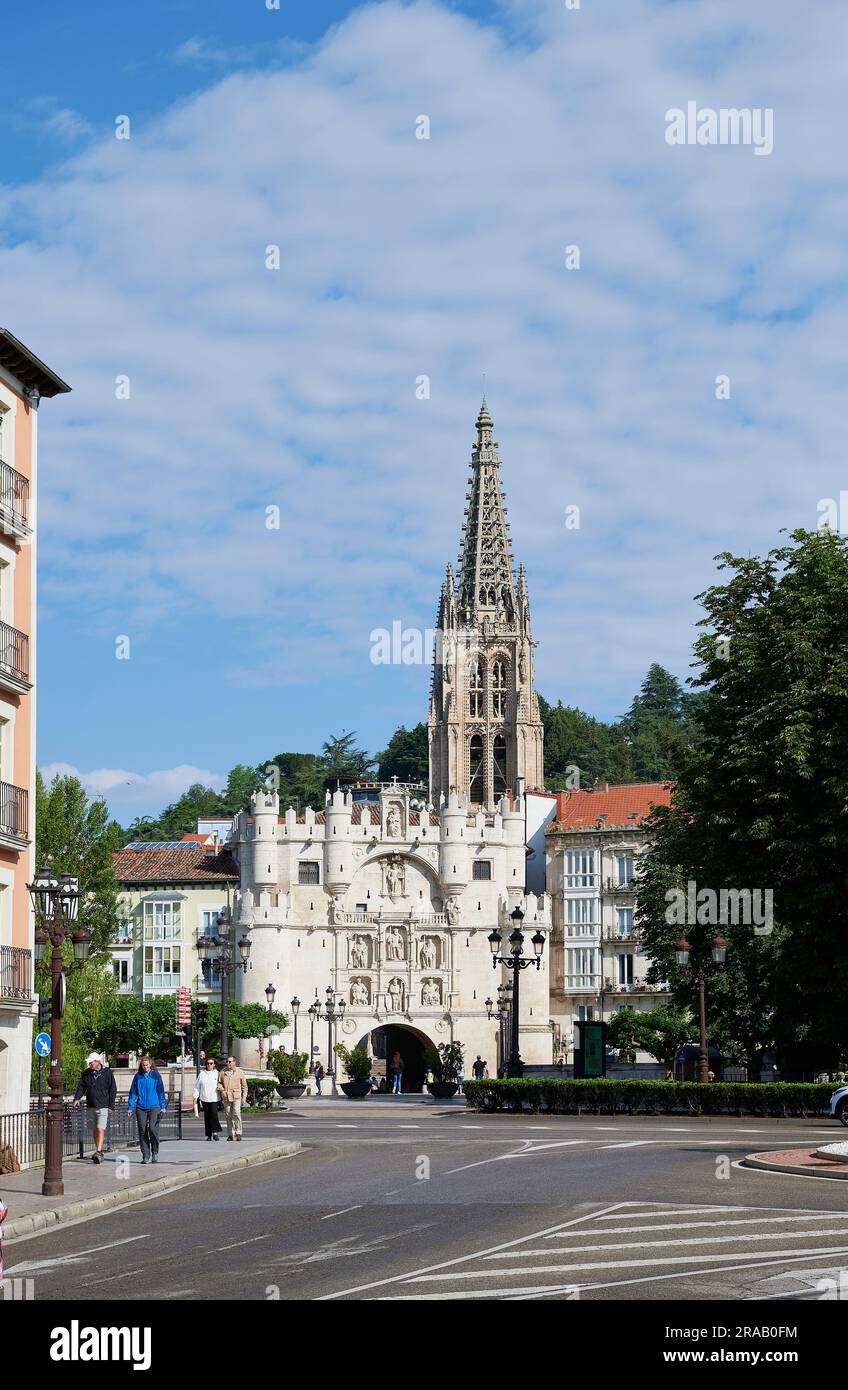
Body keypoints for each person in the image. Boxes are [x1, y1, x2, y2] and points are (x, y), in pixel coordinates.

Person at [72, 1053, 117, 1164]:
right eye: (89, 1062)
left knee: (100, 1128)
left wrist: (111, 1106)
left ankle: (98, 1150)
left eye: (91, 1062)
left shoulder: (107, 1073)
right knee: (93, 1129)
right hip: (91, 1105)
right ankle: (99, 1150)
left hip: (103, 1105)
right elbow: (81, 1087)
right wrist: (77, 1098)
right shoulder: (86, 1074)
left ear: (98, 1062)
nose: (90, 1064)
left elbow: (113, 1090)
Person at [127, 1055, 167, 1164]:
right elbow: (133, 1093)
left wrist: (163, 1107)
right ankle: (146, 1155)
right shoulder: (137, 1077)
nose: (145, 1067)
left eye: (147, 1065)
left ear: (150, 1065)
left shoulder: (156, 1076)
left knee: (153, 1130)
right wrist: (130, 1107)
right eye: (143, 1065)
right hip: (140, 1107)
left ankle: (155, 1152)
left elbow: (160, 1092)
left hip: (154, 1106)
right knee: (142, 1131)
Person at [218, 1054, 248, 1141]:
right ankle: (230, 1134)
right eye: (227, 1061)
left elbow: (244, 1086)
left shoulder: (240, 1072)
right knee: (228, 1115)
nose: (228, 1063)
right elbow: (219, 1083)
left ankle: (238, 1133)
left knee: (236, 1113)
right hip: (226, 1097)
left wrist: (244, 1097)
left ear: (234, 1062)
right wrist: (221, 1089)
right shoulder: (223, 1071)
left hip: (236, 1097)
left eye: (230, 1061)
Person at [194, 1056, 222, 1140]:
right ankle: (209, 1135)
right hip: (204, 1098)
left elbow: (221, 1083)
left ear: (214, 1064)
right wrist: (195, 1097)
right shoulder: (202, 1074)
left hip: (214, 1098)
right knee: (207, 1116)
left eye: (211, 1063)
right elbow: (197, 1086)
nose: (209, 1065)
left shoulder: (217, 1073)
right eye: (207, 1063)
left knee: (214, 1115)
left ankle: (215, 1132)